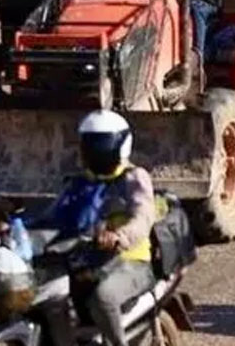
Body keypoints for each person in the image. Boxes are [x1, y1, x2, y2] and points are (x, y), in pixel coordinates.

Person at [39, 111, 156, 346]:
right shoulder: (81, 181)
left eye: (103, 143)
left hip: (130, 261)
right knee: (47, 297)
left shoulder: (133, 177)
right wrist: (17, 227)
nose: (97, 150)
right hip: (87, 260)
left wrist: (119, 236)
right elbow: (53, 214)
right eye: (91, 144)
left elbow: (144, 216)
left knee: (104, 296)